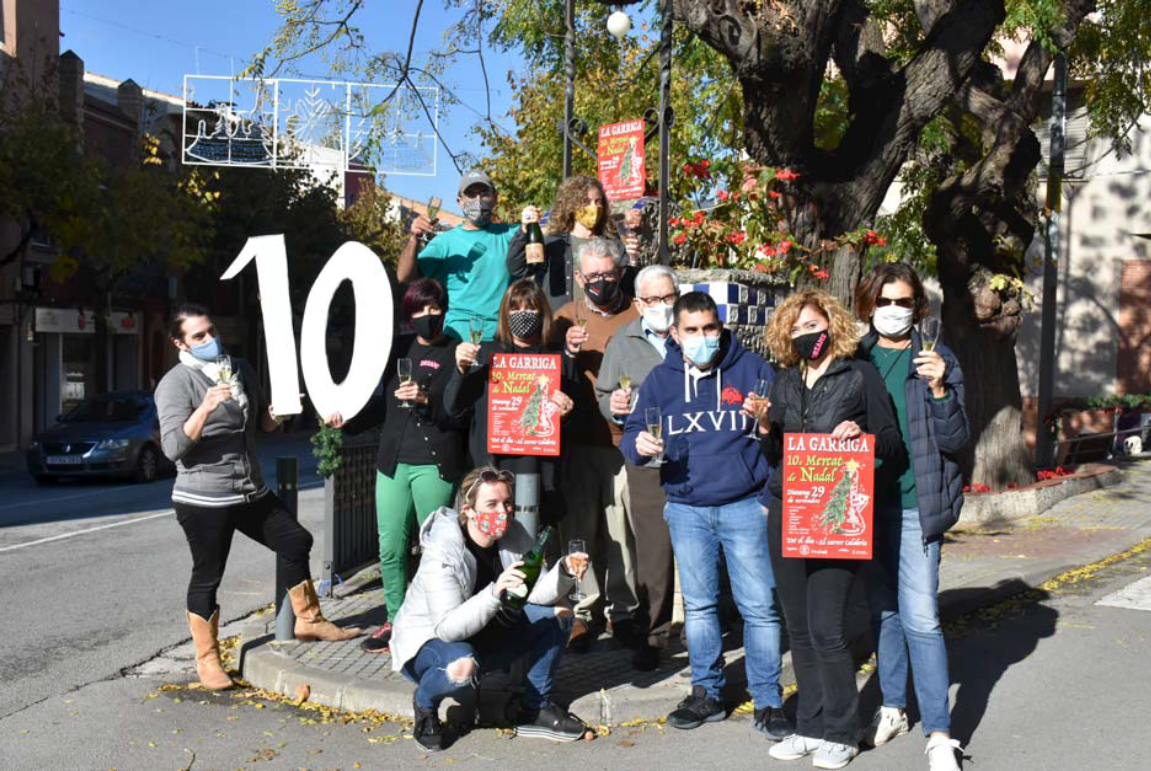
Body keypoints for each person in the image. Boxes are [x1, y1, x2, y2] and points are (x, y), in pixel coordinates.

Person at [156, 303, 359, 692]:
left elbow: (261, 427)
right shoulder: (176, 383)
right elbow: (173, 448)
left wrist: (277, 413)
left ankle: (308, 620)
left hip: (249, 490)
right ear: (179, 342)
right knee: (208, 576)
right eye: (199, 336)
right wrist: (205, 408)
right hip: (203, 499)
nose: (210, 339)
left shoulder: (240, 369)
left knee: (295, 540)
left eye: (212, 331)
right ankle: (208, 659)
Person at [621, 292, 789, 739]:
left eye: (709, 328)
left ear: (721, 326)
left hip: (744, 505)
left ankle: (769, 701)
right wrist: (637, 446)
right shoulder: (660, 380)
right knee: (698, 608)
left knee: (759, 608)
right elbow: (634, 432)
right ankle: (707, 693)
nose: (702, 338)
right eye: (691, 330)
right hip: (687, 508)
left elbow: (782, 433)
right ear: (675, 334)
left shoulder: (751, 369)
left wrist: (768, 425)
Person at [754, 290, 906, 770]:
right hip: (788, 509)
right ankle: (810, 726)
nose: (807, 335)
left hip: (837, 513)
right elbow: (774, 456)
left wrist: (862, 438)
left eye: (813, 325)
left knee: (827, 628)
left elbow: (893, 442)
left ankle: (841, 731)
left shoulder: (859, 375)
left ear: (832, 325)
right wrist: (763, 429)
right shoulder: (783, 382)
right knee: (797, 628)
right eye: (797, 329)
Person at [854, 264, 969, 771]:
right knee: (885, 614)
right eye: (885, 301)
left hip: (915, 507)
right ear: (868, 304)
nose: (894, 311)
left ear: (918, 306)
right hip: (863, 507)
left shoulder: (936, 360)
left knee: (921, 618)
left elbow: (956, 440)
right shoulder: (853, 358)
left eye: (903, 302)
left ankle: (941, 732)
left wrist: (941, 390)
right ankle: (894, 707)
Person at [389, 467, 590, 750]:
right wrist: (495, 591)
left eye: (507, 503)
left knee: (560, 615)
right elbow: (448, 629)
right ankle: (425, 705)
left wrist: (565, 571)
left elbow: (540, 591)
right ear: (469, 510)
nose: (503, 511)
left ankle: (534, 708)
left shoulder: (514, 532)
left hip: (484, 634)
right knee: (461, 667)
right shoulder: (443, 551)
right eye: (491, 505)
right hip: (432, 646)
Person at [324, 279, 466, 654]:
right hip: (392, 464)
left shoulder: (456, 353)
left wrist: (426, 399)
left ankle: (436, 621)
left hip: (434, 463)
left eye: (434, 309)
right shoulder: (397, 352)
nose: (427, 317)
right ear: (409, 315)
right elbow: (380, 408)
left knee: (436, 549)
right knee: (390, 548)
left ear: (444, 310)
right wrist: (347, 420)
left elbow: (460, 414)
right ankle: (395, 618)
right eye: (419, 310)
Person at [552, 237, 641, 654]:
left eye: (608, 274)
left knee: (623, 531)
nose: (601, 282)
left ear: (620, 272)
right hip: (578, 442)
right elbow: (541, 374)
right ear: (577, 277)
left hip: (624, 442)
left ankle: (623, 612)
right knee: (580, 533)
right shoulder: (564, 318)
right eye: (592, 276)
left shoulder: (637, 313)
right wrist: (565, 353)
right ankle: (584, 612)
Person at [594, 264, 680, 670]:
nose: (663, 306)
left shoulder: (696, 333)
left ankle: (708, 627)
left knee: (702, 550)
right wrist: (612, 407)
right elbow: (605, 393)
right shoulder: (623, 342)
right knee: (652, 552)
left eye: (669, 298)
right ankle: (655, 632)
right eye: (653, 300)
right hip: (647, 459)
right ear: (638, 304)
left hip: (697, 458)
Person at [444, 279, 578, 522]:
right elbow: (453, 409)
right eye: (515, 309)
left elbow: (576, 424)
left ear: (543, 312)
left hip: (541, 476)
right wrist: (460, 370)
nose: (523, 314)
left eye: (530, 308)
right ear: (505, 314)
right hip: (490, 473)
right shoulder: (485, 354)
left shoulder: (558, 360)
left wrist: (567, 414)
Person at [397, 169, 515, 341]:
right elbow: (403, 276)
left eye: (484, 194)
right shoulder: (445, 242)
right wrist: (414, 238)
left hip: (501, 339)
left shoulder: (512, 234)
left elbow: (548, 230)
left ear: (495, 198)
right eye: (471, 195)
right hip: (457, 340)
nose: (478, 200)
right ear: (460, 202)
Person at [508, 174, 632, 311]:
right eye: (586, 201)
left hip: (602, 321)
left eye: (598, 201)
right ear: (571, 206)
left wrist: (634, 261)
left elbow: (625, 282)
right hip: (561, 323)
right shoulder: (554, 243)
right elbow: (516, 268)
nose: (594, 207)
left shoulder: (612, 243)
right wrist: (524, 230)